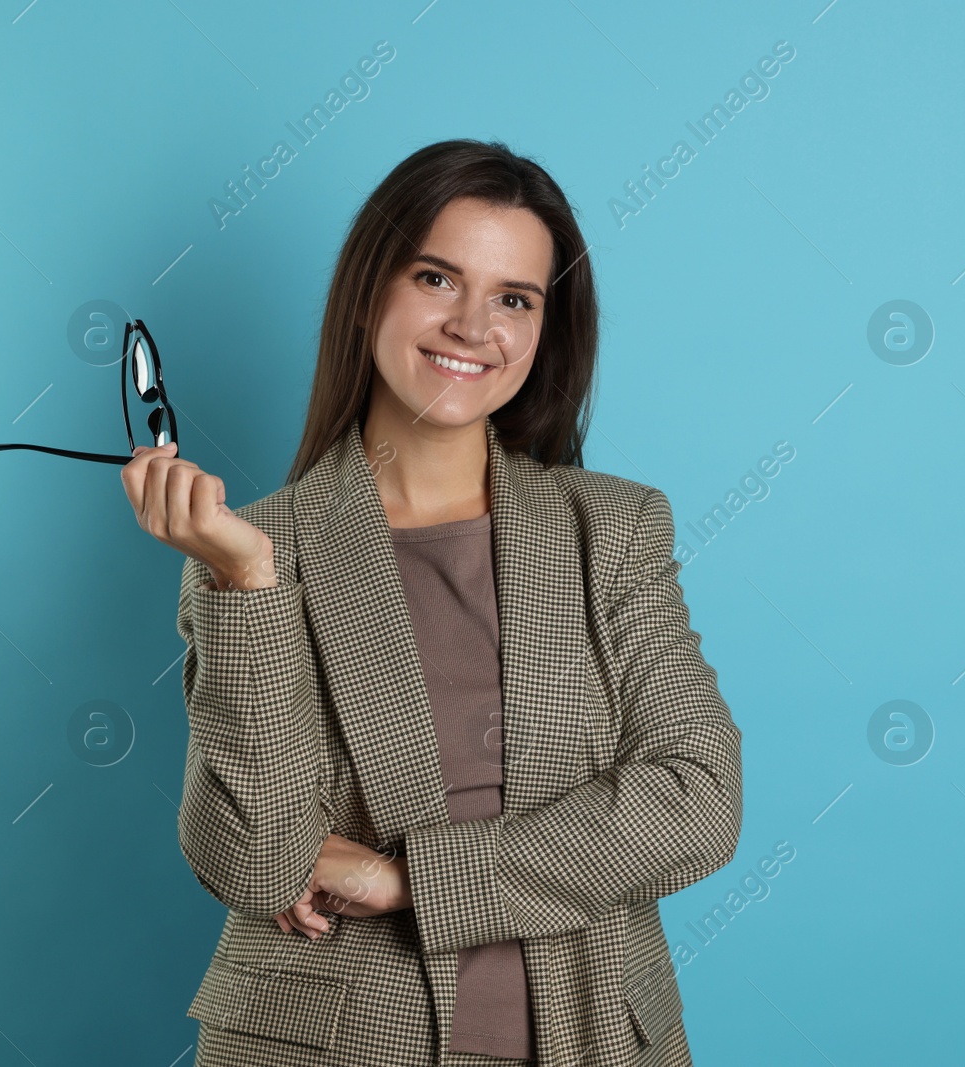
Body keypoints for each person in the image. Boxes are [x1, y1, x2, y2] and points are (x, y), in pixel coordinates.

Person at [120, 139, 743, 1067]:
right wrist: (244, 582)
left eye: (514, 298)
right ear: (372, 289)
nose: (471, 325)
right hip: (331, 1043)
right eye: (437, 278)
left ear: (543, 330)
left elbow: (696, 796)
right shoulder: (250, 550)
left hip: (590, 1032)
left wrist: (408, 879)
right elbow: (254, 859)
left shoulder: (611, 528)